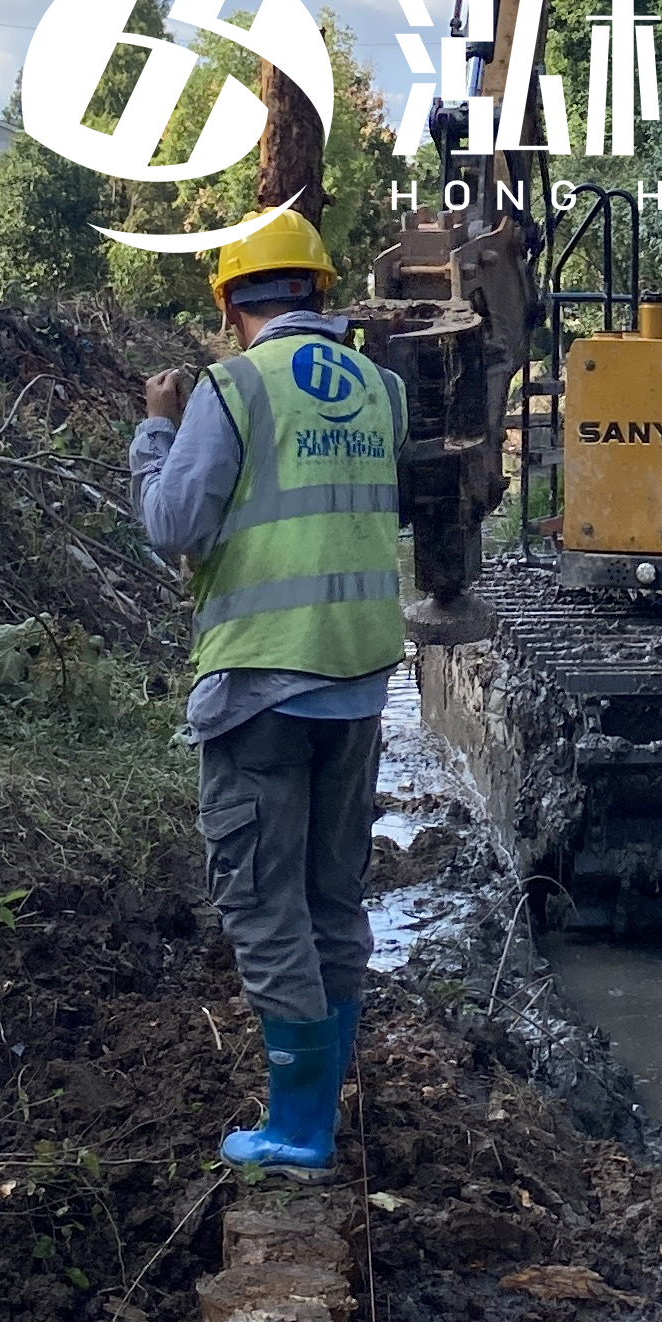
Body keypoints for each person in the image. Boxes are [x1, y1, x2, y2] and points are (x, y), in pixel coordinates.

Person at [131, 210, 407, 1174]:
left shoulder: (234, 385)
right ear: (320, 293)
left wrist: (155, 432)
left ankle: (297, 1126)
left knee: (259, 901)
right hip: (357, 683)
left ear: (229, 307)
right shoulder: (380, 388)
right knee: (332, 897)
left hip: (261, 686)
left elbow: (174, 525)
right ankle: (321, 1104)